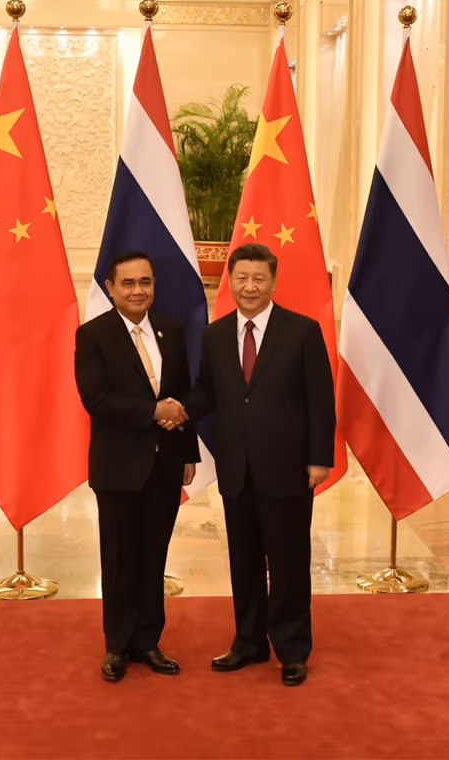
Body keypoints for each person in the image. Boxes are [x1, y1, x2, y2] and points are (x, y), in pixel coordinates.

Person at [176, 242, 335, 687]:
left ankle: (292, 648)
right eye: (242, 278)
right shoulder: (215, 335)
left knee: (288, 562)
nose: (249, 286)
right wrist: (178, 409)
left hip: (288, 468)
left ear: (273, 281)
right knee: (243, 562)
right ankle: (248, 642)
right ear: (230, 280)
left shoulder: (302, 331)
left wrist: (319, 458)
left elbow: (320, 399)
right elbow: (208, 392)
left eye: (258, 278)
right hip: (237, 469)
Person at [74, 250, 198, 683]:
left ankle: (148, 641)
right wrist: (152, 411)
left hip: (166, 464)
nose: (138, 290)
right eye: (128, 283)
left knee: (153, 556)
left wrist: (188, 452)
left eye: (145, 282)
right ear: (111, 288)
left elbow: (182, 392)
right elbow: (96, 399)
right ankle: (117, 646)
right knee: (119, 559)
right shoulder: (93, 335)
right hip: (118, 467)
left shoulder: (171, 330)